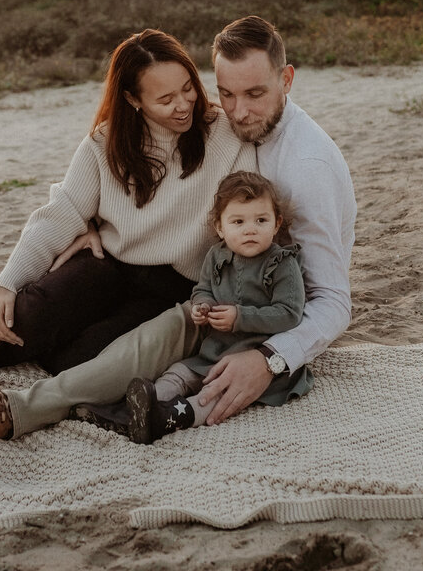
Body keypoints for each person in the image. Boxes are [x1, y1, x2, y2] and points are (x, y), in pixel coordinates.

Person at [0, 15, 357, 444]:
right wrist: (93, 224)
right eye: (226, 93)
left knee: (129, 350)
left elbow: (333, 300)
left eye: (255, 93)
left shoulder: (305, 169)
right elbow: (78, 204)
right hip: (215, 290)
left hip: (254, 310)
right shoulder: (240, 128)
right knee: (79, 313)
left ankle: (10, 410)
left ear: (287, 79)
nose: (238, 110)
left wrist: (269, 359)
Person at [0, 29, 255, 378]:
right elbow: (59, 213)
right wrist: (6, 284)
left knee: (77, 359)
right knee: (39, 309)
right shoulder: (105, 143)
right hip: (109, 263)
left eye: (188, 88)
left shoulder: (224, 134)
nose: (183, 105)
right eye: (164, 99)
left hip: (174, 284)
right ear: (132, 100)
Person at [125, 170, 306, 444]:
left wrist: (239, 317)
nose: (250, 229)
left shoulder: (282, 263)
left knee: (215, 393)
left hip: (257, 358)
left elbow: (290, 314)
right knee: (180, 373)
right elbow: (203, 289)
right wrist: (202, 306)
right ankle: (147, 404)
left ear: (277, 223)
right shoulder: (217, 256)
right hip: (215, 351)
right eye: (238, 221)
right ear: (220, 227)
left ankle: (177, 416)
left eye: (261, 220)